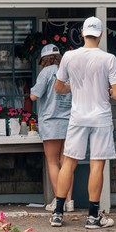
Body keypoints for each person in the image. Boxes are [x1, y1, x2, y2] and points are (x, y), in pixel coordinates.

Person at [50, 16, 116, 230]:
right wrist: (108, 90)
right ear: (100, 34)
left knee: (68, 162)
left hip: (78, 116)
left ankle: (57, 212)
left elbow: (59, 87)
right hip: (100, 117)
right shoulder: (109, 59)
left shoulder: (69, 57)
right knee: (97, 164)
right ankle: (93, 216)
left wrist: (75, 87)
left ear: (82, 33)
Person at [29, 44, 74, 212]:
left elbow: (34, 96)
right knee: (67, 163)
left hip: (51, 122)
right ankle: (69, 201)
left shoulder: (46, 72)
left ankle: (58, 200)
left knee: (53, 162)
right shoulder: (68, 71)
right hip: (69, 121)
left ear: (44, 59)